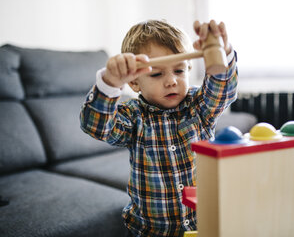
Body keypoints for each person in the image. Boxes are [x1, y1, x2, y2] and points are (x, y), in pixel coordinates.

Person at [80, 19, 238, 237]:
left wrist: (224, 50)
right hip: (150, 230)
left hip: (202, 223)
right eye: (157, 74)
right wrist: (109, 83)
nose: (172, 81)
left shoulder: (198, 107)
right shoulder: (133, 116)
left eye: (179, 71)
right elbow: (96, 126)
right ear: (134, 83)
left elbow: (223, 91)